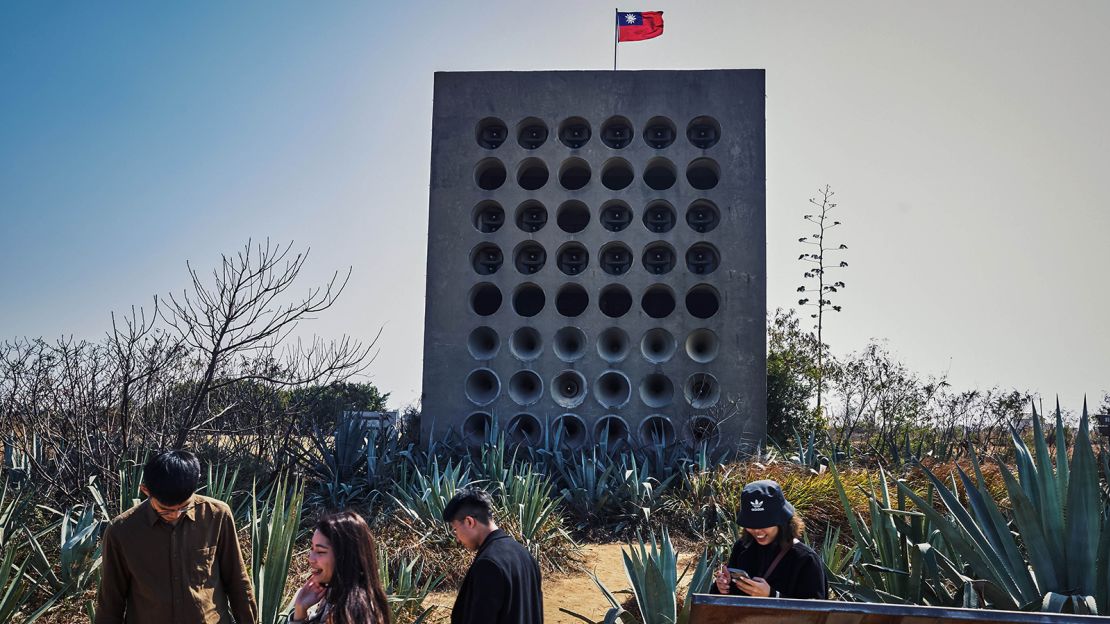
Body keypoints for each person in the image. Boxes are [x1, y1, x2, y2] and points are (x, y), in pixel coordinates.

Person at [95, 450, 257, 624]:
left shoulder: (217, 516)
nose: (175, 515)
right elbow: (111, 600)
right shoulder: (122, 531)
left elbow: (238, 581)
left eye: (184, 507)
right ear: (145, 490)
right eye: (165, 509)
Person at [711, 479, 827, 599]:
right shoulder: (742, 548)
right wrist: (722, 587)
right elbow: (720, 603)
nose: (757, 531)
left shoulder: (806, 560)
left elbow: (816, 613)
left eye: (764, 524)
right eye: (752, 524)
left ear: (782, 521)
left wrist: (773, 595)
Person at [443, 487, 543, 624]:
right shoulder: (525, 555)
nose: (457, 539)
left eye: (455, 530)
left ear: (469, 522)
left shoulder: (488, 564)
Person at [291, 510, 391, 624]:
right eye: (312, 549)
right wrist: (300, 610)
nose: (311, 559)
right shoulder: (335, 597)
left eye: (320, 551)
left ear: (345, 556)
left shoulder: (352, 614)